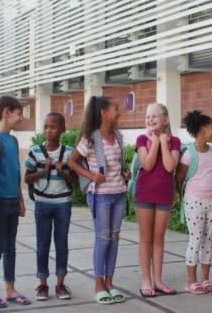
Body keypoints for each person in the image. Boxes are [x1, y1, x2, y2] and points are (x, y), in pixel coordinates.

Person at [68, 96, 130, 305]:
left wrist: (125, 172)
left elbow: (118, 163)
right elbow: (72, 161)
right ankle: (98, 284)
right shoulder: (91, 139)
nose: (118, 112)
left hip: (119, 193)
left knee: (114, 238)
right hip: (100, 196)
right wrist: (91, 175)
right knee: (103, 239)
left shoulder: (118, 136)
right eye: (115, 108)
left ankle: (110, 283)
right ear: (103, 113)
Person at [0, 95, 31, 309]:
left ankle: (10, 289)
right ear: (6, 112)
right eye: (18, 113)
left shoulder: (13, 140)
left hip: (12, 201)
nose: (20, 119)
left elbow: (15, 173)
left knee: (10, 247)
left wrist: (21, 198)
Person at [25, 112, 75, 301]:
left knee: (61, 244)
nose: (48, 130)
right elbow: (26, 178)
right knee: (42, 244)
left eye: (53, 127)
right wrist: (43, 171)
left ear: (62, 129)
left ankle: (61, 284)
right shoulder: (35, 151)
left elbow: (74, 183)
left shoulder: (69, 152)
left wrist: (63, 172)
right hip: (42, 204)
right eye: (46, 126)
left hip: (63, 204)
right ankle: (43, 284)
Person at [133, 103, 180, 297]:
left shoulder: (175, 141)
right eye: (148, 116)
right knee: (145, 239)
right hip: (144, 194)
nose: (150, 119)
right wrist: (156, 143)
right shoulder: (142, 139)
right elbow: (148, 164)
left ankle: (158, 280)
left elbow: (170, 167)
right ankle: (146, 280)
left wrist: (164, 143)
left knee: (159, 239)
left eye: (155, 116)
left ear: (166, 120)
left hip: (164, 195)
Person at [175, 110, 212, 294]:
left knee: (208, 239)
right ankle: (191, 281)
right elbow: (179, 179)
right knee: (195, 239)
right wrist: (183, 198)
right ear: (201, 130)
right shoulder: (188, 154)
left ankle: (206, 279)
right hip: (194, 201)